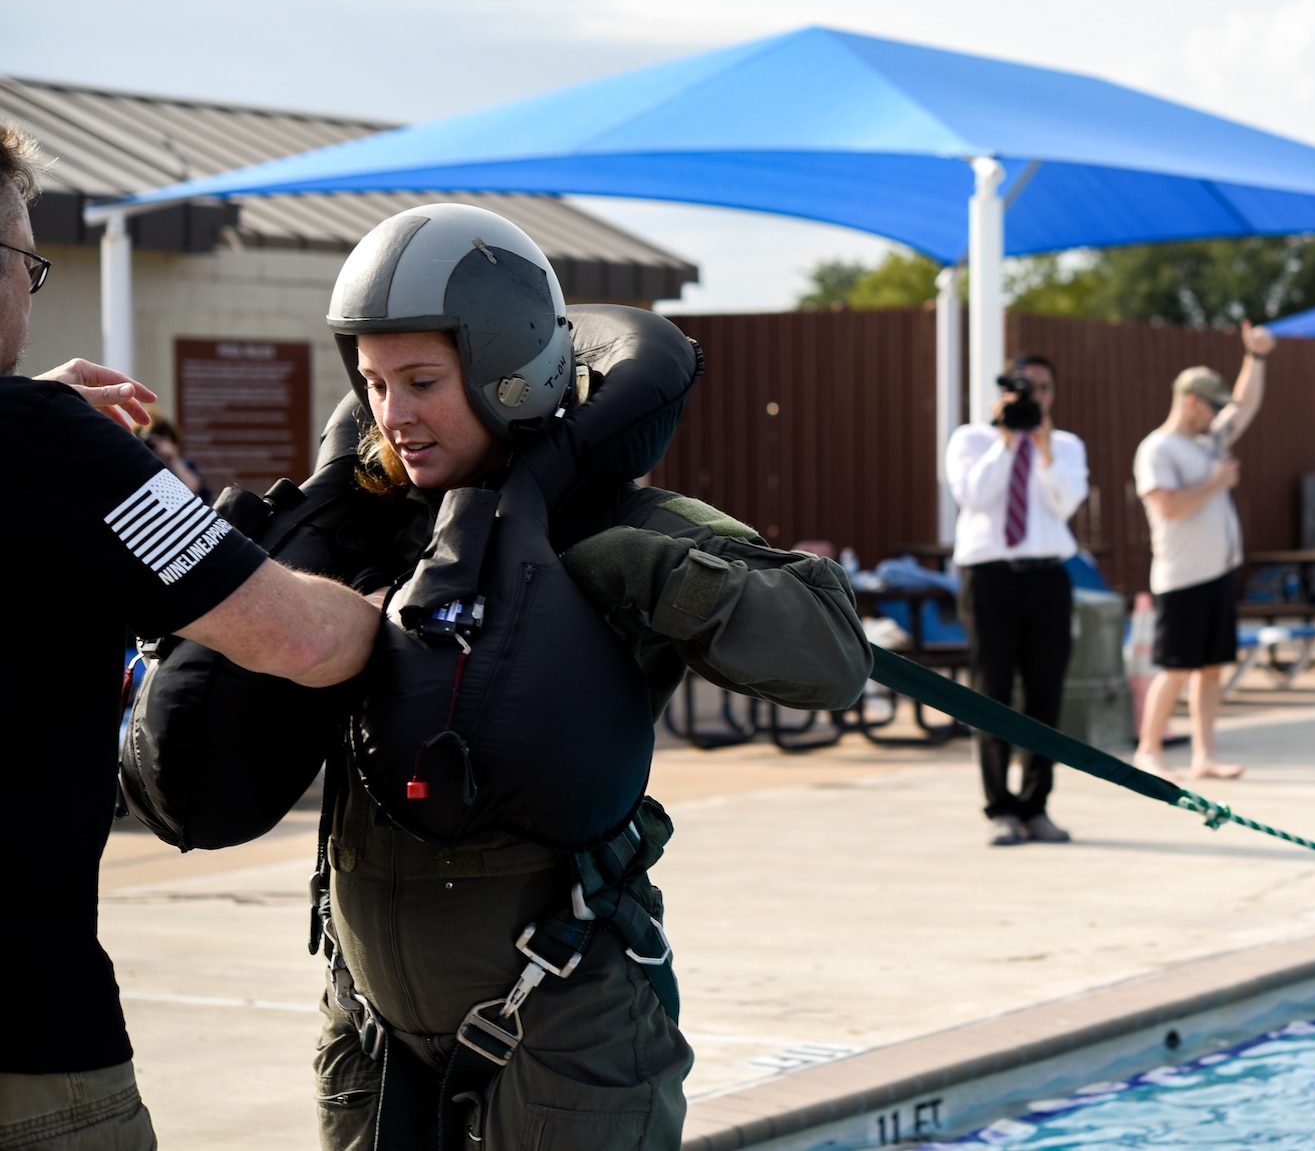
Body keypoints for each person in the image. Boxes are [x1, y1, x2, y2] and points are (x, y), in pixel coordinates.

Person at [272, 203, 871, 1151]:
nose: (395, 415)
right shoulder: (362, 535)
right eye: (376, 384)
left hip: (564, 1017)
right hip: (371, 1032)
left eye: (423, 380)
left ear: (509, 371)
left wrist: (642, 573)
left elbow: (832, 656)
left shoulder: (622, 527)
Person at [0, 124, 382, 1149]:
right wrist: (398, 604)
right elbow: (296, 639)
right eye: (27, 265)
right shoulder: (49, 448)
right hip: (22, 1038)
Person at [946, 354, 1090, 846]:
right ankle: (999, 808)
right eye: (1026, 389)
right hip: (989, 578)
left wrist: (1042, 447)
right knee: (992, 692)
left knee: (1046, 693)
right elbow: (974, 497)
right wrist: (1008, 441)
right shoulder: (972, 440)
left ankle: (1036, 806)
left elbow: (1065, 503)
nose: (1035, 397)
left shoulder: (1066, 445)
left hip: (1047, 577)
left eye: (1044, 389)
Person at [1132, 321, 1278, 780]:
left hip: (1216, 572)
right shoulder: (1157, 449)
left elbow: (1247, 407)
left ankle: (1204, 754)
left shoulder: (1207, 441)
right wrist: (1215, 482)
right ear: (1190, 401)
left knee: (1211, 669)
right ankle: (1149, 749)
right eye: (1210, 406)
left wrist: (1255, 357)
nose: (1216, 416)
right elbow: (1169, 507)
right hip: (1181, 576)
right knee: (1176, 668)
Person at [140, 415, 210, 502]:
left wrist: (173, 459)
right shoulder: (141, 465)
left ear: (169, 439)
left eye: (159, 439)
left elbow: (198, 492)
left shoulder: (182, 463)